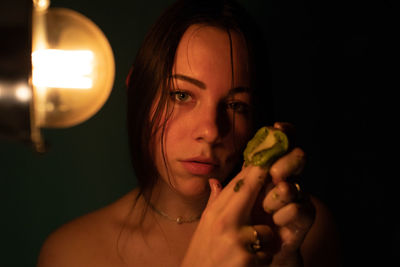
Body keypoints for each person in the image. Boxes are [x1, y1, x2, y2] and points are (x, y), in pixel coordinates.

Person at [37, 0, 341, 266]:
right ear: (138, 92)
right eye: (182, 95)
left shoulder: (305, 233)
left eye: (236, 105)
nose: (211, 130)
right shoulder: (70, 253)